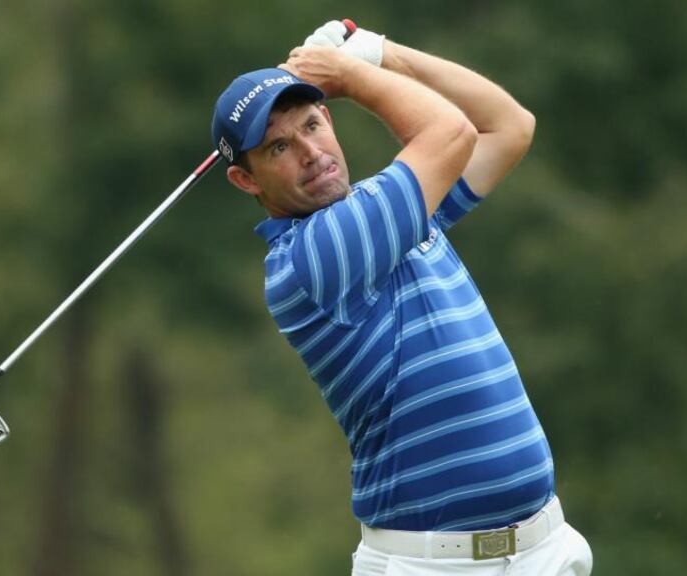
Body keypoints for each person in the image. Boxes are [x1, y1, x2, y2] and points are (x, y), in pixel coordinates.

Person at [211, 20, 593, 576]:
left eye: (313, 124)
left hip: (544, 551)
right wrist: (353, 75)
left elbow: (508, 127)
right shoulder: (312, 257)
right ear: (247, 182)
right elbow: (453, 133)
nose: (312, 152)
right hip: (436, 566)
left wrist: (380, 52)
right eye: (279, 147)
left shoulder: (394, 210)